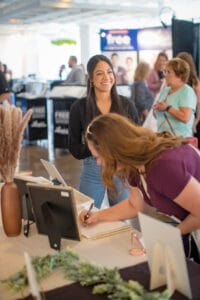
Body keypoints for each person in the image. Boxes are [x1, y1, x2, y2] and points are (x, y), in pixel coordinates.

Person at [79, 112, 200, 263]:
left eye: (98, 156)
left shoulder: (163, 166)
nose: (98, 163)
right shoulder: (133, 165)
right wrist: (98, 216)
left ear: (115, 150)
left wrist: (167, 237)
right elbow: (134, 205)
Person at [69, 54, 139, 208]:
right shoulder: (79, 107)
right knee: (87, 217)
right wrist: (96, 147)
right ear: (91, 79)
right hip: (92, 170)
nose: (106, 77)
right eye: (99, 73)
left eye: (109, 72)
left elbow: (138, 140)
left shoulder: (126, 105)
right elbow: (74, 148)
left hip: (121, 170)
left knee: (121, 221)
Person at [154, 58, 197, 138]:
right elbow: (157, 115)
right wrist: (156, 108)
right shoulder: (165, 90)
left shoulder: (187, 91)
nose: (165, 75)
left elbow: (185, 118)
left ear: (179, 75)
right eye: (165, 71)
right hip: (162, 139)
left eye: (168, 72)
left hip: (180, 141)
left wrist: (167, 108)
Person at [177, 52, 200, 147]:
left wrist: (195, 123)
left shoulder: (195, 82)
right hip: (178, 118)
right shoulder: (176, 81)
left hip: (190, 120)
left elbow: (199, 105)